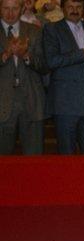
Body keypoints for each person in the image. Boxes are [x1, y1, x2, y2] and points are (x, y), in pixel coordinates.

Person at [43, 0, 84, 154]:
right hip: (65, 104)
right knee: (67, 156)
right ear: (63, 9)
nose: (75, 10)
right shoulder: (52, 29)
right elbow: (52, 61)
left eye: (78, 7)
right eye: (70, 7)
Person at [0, 0, 47, 155]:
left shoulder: (34, 31)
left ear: (21, 9)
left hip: (31, 102)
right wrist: (5, 55)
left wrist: (26, 55)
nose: (10, 13)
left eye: (14, 8)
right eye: (6, 8)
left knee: (34, 163)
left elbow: (45, 66)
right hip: (2, 103)